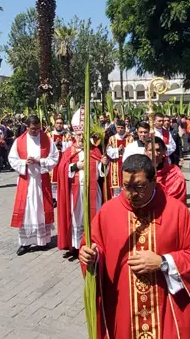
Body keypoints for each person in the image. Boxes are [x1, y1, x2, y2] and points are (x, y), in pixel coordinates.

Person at [79, 154, 190, 339]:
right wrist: (92, 256)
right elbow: (95, 245)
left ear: (154, 182)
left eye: (139, 187)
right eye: (126, 186)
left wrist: (163, 262)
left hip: (164, 307)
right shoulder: (108, 211)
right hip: (123, 308)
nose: (131, 193)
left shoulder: (175, 211)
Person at [55, 109, 105, 259]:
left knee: (93, 217)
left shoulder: (95, 150)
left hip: (93, 190)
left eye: (84, 135)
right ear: (74, 135)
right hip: (75, 191)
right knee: (77, 218)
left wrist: (104, 164)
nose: (81, 138)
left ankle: (93, 244)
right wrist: (76, 166)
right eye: (78, 135)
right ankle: (76, 246)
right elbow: (62, 170)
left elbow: (102, 173)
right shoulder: (69, 151)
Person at [8, 115, 59, 256]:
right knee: (27, 211)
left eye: (38, 128)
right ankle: (25, 243)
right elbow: (12, 159)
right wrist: (24, 162)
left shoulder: (47, 140)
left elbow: (54, 157)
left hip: (41, 181)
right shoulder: (19, 141)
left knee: (41, 210)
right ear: (26, 126)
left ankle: (42, 241)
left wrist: (40, 161)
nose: (36, 131)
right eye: (33, 129)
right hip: (26, 181)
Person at [147, 136, 187, 201]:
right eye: (151, 150)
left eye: (158, 150)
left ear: (164, 152)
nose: (155, 154)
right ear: (145, 152)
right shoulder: (140, 172)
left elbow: (177, 201)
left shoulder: (175, 174)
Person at [105, 120, 130, 198]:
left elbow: (132, 150)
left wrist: (125, 150)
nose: (120, 129)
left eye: (122, 128)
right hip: (115, 165)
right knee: (116, 191)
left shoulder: (129, 138)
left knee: (126, 187)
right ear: (116, 128)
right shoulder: (112, 139)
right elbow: (108, 151)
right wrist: (117, 150)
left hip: (126, 164)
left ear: (125, 128)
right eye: (118, 128)